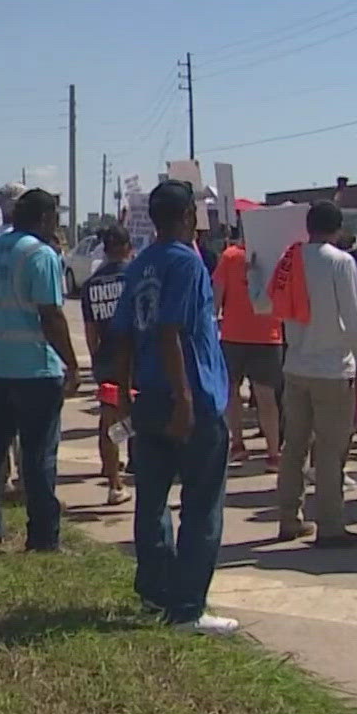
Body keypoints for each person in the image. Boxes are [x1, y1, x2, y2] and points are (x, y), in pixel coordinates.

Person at [111, 180, 238, 635]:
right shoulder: (188, 263)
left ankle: (155, 589)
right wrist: (185, 401)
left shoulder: (140, 263)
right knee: (202, 503)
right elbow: (171, 332)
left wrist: (123, 392)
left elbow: (122, 333)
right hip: (191, 396)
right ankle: (187, 608)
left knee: (152, 498)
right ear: (187, 216)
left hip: (148, 393)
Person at [0, 188, 80, 551]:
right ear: (46, 219)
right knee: (38, 455)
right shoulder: (40, 254)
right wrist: (72, 363)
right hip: (34, 367)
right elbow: (51, 315)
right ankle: (44, 537)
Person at [269, 201, 357, 547]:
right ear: (338, 228)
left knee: (294, 447)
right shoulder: (340, 262)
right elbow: (353, 317)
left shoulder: (289, 259)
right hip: (332, 368)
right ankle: (330, 524)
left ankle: (289, 518)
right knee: (331, 450)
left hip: (296, 364)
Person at [212, 232, 284, 467]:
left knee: (238, 394)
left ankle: (244, 445)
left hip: (246, 335)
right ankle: (269, 451)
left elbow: (216, 297)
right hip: (260, 336)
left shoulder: (232, 256)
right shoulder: (274, 256)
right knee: (260, 397)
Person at [79, 222, 132, 505]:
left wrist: (96, 358)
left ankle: (114, 483)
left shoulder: (91, 285)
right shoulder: (134, 278)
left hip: (107, 363)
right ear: (126, 248)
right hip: (137, 361)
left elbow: (90, 332)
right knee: (142, 419)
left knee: (109, 421)